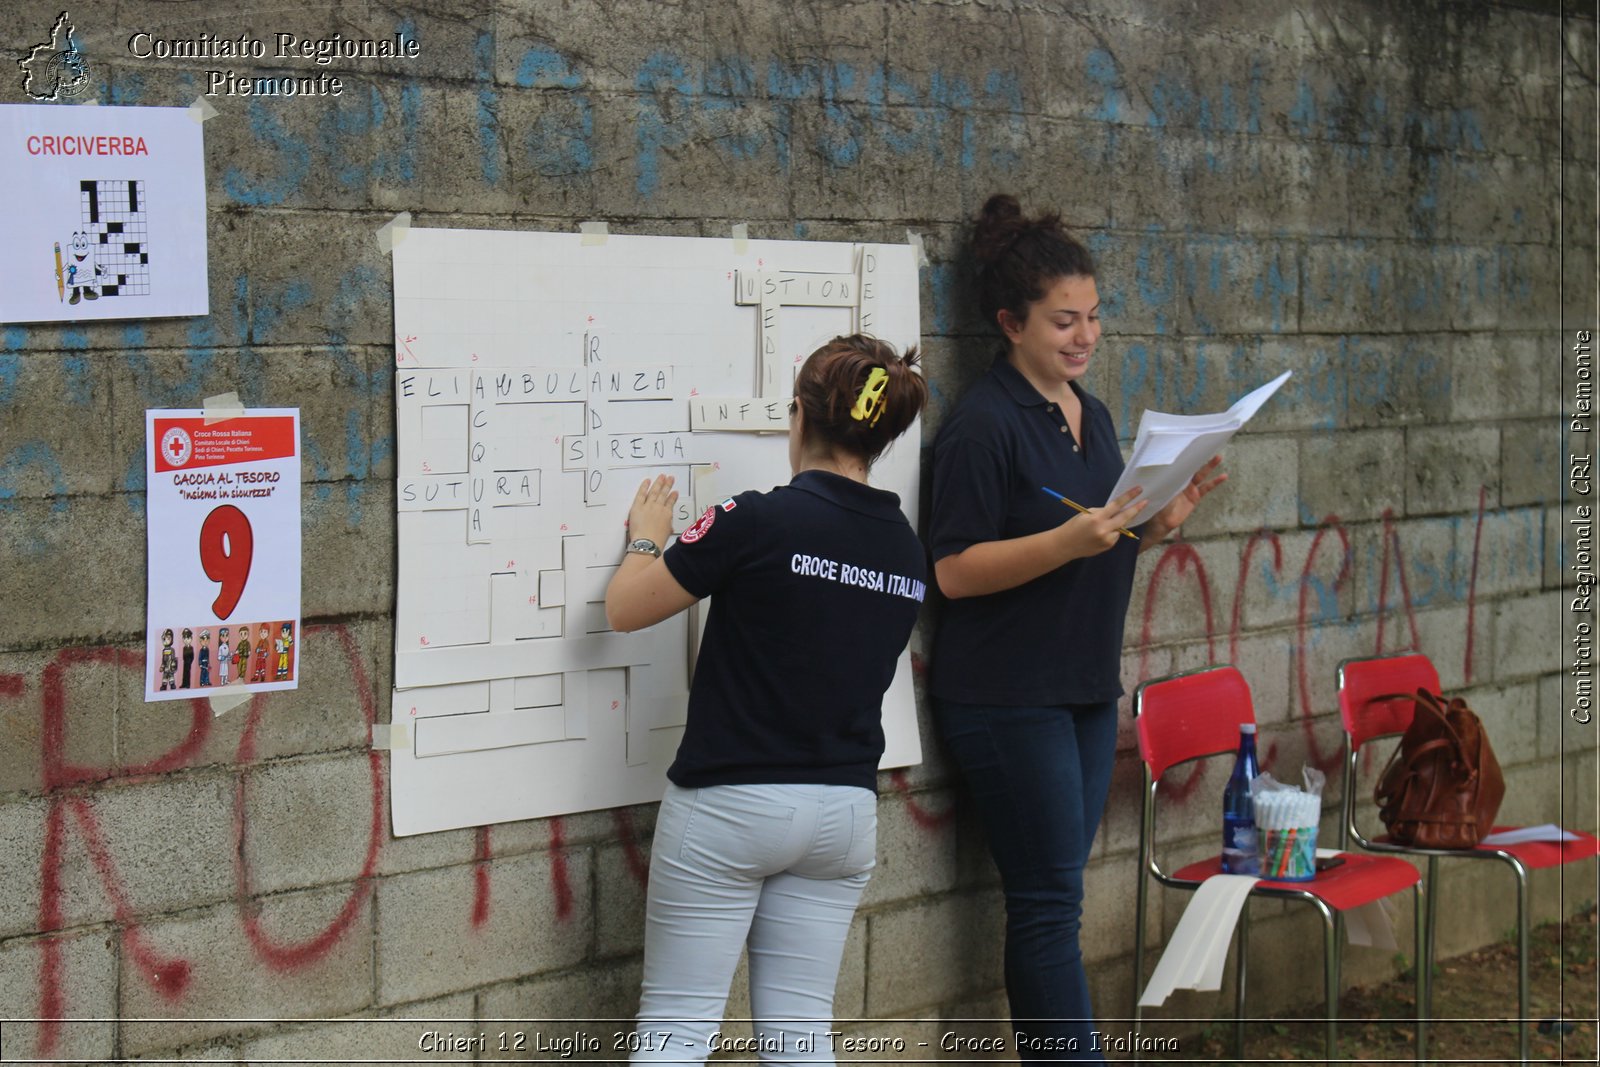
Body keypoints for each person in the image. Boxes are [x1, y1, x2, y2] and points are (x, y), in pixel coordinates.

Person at [928, 194, 1226, 1061]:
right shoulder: (982, 428)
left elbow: (1105, 533)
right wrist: (1065, 541)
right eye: (1064, 320)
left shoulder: (1090, 413)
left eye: (1094, 316)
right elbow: (952, 569)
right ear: (1010, 322)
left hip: (1087, 690)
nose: (1084, 335)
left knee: (1060, 895)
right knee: (1050, 903)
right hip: (1007, 696)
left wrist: (1160, 523)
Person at [605, 334, 929, 1064]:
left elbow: (626, 608)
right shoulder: (905, 548)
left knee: (678, 1024)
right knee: (799, 1033)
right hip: (842, 815)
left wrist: (648, 539)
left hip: (732, 803)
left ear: (800, 418)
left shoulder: (758, 518)